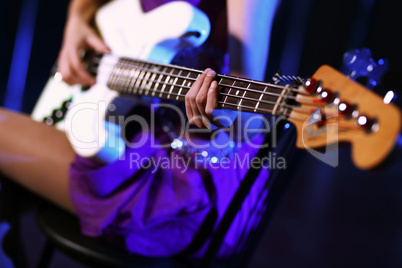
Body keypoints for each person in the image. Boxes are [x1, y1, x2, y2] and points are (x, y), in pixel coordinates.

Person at [0, 0, 279, 258]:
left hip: (173, 177)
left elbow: (246, 123)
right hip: (109, 116)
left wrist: (221, 112)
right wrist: (76, 22)